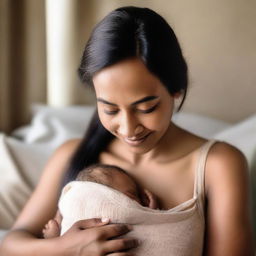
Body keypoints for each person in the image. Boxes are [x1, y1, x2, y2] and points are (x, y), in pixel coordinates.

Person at [0, 6, 253, 256]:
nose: (129, 128)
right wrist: (67, 248)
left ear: (176, 90)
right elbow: (11, 245)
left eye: (146, 108)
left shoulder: (218, 165)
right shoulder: (72, 156)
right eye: (110, 110)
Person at [42, 163, 159, 239]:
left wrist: (149, 215)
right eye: (132, 195)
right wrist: (53, 240)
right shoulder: (70, 212)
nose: (139, 201)